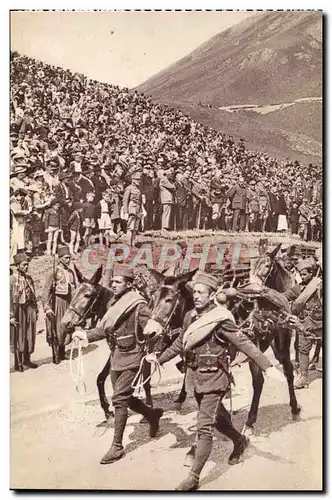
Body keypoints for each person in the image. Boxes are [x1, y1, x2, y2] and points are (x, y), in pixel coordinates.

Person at [157, 271, 285, 491]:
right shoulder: (189, 316)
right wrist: (158, 359)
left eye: (201, 293)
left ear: (212, 294)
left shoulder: (221, 318)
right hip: (196, 378)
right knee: (217, 419)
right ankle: (239, 440)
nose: (196, 296)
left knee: (204, 427)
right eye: (194, 292)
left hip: (216, 379)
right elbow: (180, 342)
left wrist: (267, 366)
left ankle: (193, 477)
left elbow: (244, 342)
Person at [72, 265, 163, 465]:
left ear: (129, 284)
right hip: (116, 356)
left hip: (133, 356)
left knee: (119, 399)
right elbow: (105, 330)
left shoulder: (138, 304)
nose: (113, 285)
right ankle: (153, 415)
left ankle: (117, 447)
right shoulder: (114, 302)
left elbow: (153, 330)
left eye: (118, 282)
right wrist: (85, 335)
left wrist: (151, 351)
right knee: (126, 398)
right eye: (112, 281)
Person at [285, 258, 322, 389]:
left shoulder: (319, 285)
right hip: (306, 324)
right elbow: (285, 296)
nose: (302, 277)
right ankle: (304, 378)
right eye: (301, 275)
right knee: (303, 349)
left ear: (312, 273)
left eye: (305, 274)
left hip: (321, 322)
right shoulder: (298, 288)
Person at [41, 245, 78, 364]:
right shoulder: (54, 271)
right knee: (56, 328)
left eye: (69, 258)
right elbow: (46, 290)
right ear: (60, 258)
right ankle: (56, 354)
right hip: (57, 302)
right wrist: (46, 306)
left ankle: (63, 351)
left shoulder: (71, 272)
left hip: (68, 302)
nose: (68, 260)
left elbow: (75, 288)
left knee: (66, 327)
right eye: (66, 258)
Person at [10, 253, 38, 372]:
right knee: (19, 335)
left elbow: (34, 294)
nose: (26, 267)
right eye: (24, 265)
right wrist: (10, 315)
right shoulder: (12, 280)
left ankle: (27, 359)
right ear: (17, 265)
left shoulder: (28, 278)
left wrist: (36, 310)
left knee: (29, 334)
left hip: (29, 308)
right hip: (18, 310)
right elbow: (8, 299)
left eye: (27, 265)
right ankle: (18, 362)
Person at [122, 171, 144, 246]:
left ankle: (133, 243)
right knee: (130, 227)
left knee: (135, 228)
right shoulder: (129, 188)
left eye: (139, 180)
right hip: (131, 209)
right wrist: (125, 212)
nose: (139, 181)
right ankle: (128, 243)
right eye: (137, 179)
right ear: (133, 180)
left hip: (137, 209)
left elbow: (140, 201)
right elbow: (125, 200)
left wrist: (141, 210)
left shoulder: (138, 189)